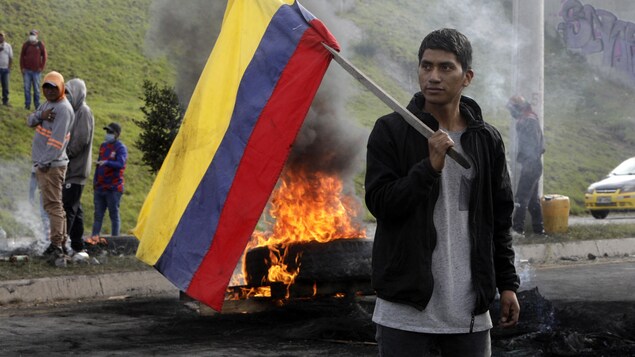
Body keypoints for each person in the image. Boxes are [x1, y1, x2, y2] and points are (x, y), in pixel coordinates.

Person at [365, 28, 520, 356]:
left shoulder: (486, 140)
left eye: (446, 67)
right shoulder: (391, 130)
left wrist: (507, 284)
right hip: (405, 313)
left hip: (469, 314)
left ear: (467, 77)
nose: (433, 76)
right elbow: (381, 203)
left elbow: (499, 219)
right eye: (426, 66)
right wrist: (428, 168)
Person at [27, 71, 74, 264]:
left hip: (51, 165)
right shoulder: (47, 105)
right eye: (46, 87)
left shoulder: (63, 109)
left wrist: (44, 163)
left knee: (53, 206)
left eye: (53, 87)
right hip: (44, 164)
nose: (49, 91)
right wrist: (41, 114)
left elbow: (56, 142)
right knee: (52, 205)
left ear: (61, 88)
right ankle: (60, 243)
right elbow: (29, 120)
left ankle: (56, 244)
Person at [62, 78, 94, 256]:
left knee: (68, 207)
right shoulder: (72, 112)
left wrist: (63, 154)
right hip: (70, 169)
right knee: (76, 207)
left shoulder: (83, 112)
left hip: (76, 169)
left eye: (69, 92)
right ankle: (77, 244)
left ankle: (62, 243)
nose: (66, 96)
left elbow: (81, 140)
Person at [506, 95, 546, 236]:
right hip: (532, 164)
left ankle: (518, 229)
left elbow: (533, 145)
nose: (511, 112)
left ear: (518, 108)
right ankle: (539, 230)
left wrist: (528, 161)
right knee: (533, 200)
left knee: (521, 198)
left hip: (531, 164)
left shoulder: (528, 121)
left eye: (512, 108)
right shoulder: (527, 119)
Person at [91, 122, 127, 241]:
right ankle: (94, 238)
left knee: (113, 214)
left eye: (111, 132)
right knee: (98, 215)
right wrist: (95, 182)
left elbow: (121, 164)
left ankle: (115, 241)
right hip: (100, 187)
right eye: (107, 132)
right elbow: (98, 165)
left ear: (117, 134)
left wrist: (107, 163)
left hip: (113, 188)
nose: (108, 134)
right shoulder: (103, 146)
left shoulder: (120, 148)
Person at [20, 29, 47, 110]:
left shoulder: (40, 45)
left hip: (36, 72)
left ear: (37, 35)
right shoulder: (26, 45)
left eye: (33, 35)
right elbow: (22, 56)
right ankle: (27, 105)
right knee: (26, 88)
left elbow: (44, 56)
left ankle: (37, 106)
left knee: (36, 89)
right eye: (31, 34)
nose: (32, 36)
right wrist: (22, 68)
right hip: (27, 71)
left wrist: (41, 67)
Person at [0, 31, 13, 106]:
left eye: (2, 36)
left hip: (5, 69)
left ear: (4, 37)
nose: (0, 38)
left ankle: (5, 101)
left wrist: (9, 67)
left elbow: (11, 57)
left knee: (5, 86)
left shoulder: (8, 46)